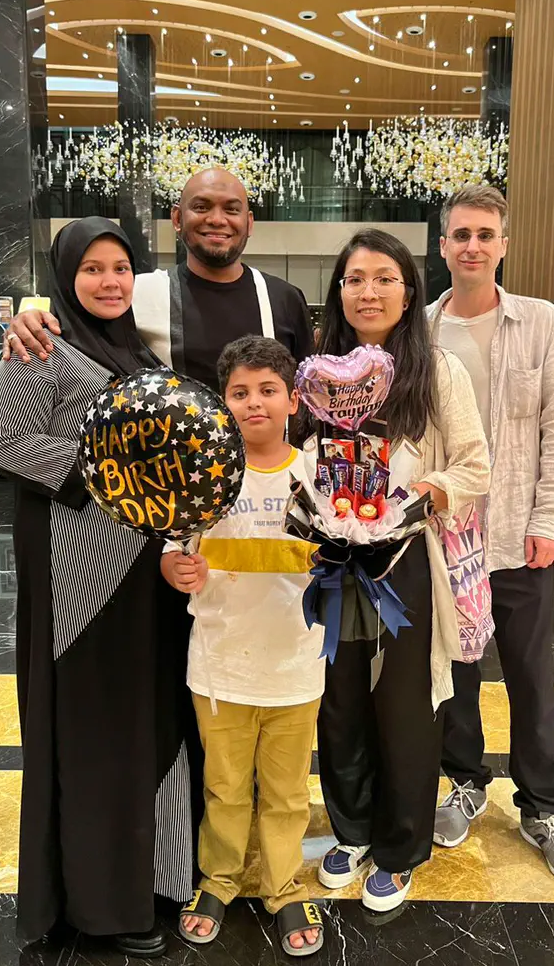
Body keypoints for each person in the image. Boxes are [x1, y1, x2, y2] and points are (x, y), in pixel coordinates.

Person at [0, 218, 192, 957]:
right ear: (66, 276)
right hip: (79, 579)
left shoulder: (137, 350)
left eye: (121, 268)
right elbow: (4, 441)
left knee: (149, 722)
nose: (110, 281)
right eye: (93, 269)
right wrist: (115, 466)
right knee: (97, 731)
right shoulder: (39, 347)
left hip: (145, 570)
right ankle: (102, 904)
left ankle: (157, 879)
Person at [312, 229, 491, 912]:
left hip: (408, 560)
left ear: (408, 290)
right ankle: (351, 828)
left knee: (407, 707)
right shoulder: (320, 370)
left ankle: (400, 844)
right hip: (335, 561)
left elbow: (476, 466)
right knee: (342, 699)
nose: (368, 291)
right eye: (355, 279)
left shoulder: (437, 370)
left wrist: (415, 495)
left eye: (384, 277)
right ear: (340, 291)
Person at [429, 184, 554, 891]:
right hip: (443, 538)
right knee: (454, 674)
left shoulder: (541, 322)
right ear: (443, 246)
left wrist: (546, 518)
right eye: (460, 233)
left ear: (503, 244)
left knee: (531, 674)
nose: (472, 245)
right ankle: (466, 781)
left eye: (485, 234)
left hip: (518, 536)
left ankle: (543, 807)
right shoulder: (420, 328)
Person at [161, 335, 325, 956]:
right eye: (239, 392)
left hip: (296, 666)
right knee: (224, 787)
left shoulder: (317, 474)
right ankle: (219, 878)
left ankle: (282, 886)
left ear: (292, 399)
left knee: (286, 793)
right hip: (220, 666)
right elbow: (173, 546)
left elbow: (348, 554)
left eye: (267, 390)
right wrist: (176, 567)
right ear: (222, 402)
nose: (254, 403)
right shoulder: (205, 475)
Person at [1, 168, 313, 389]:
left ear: (248, 222)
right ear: (178, 218)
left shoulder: (283, 298)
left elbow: (306, 393)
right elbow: (74, 323)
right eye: (201, 207)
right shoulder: (138, 292)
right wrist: (26, 321)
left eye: (231, 209)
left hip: (269, 473)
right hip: (171, 475)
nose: (217, 219)